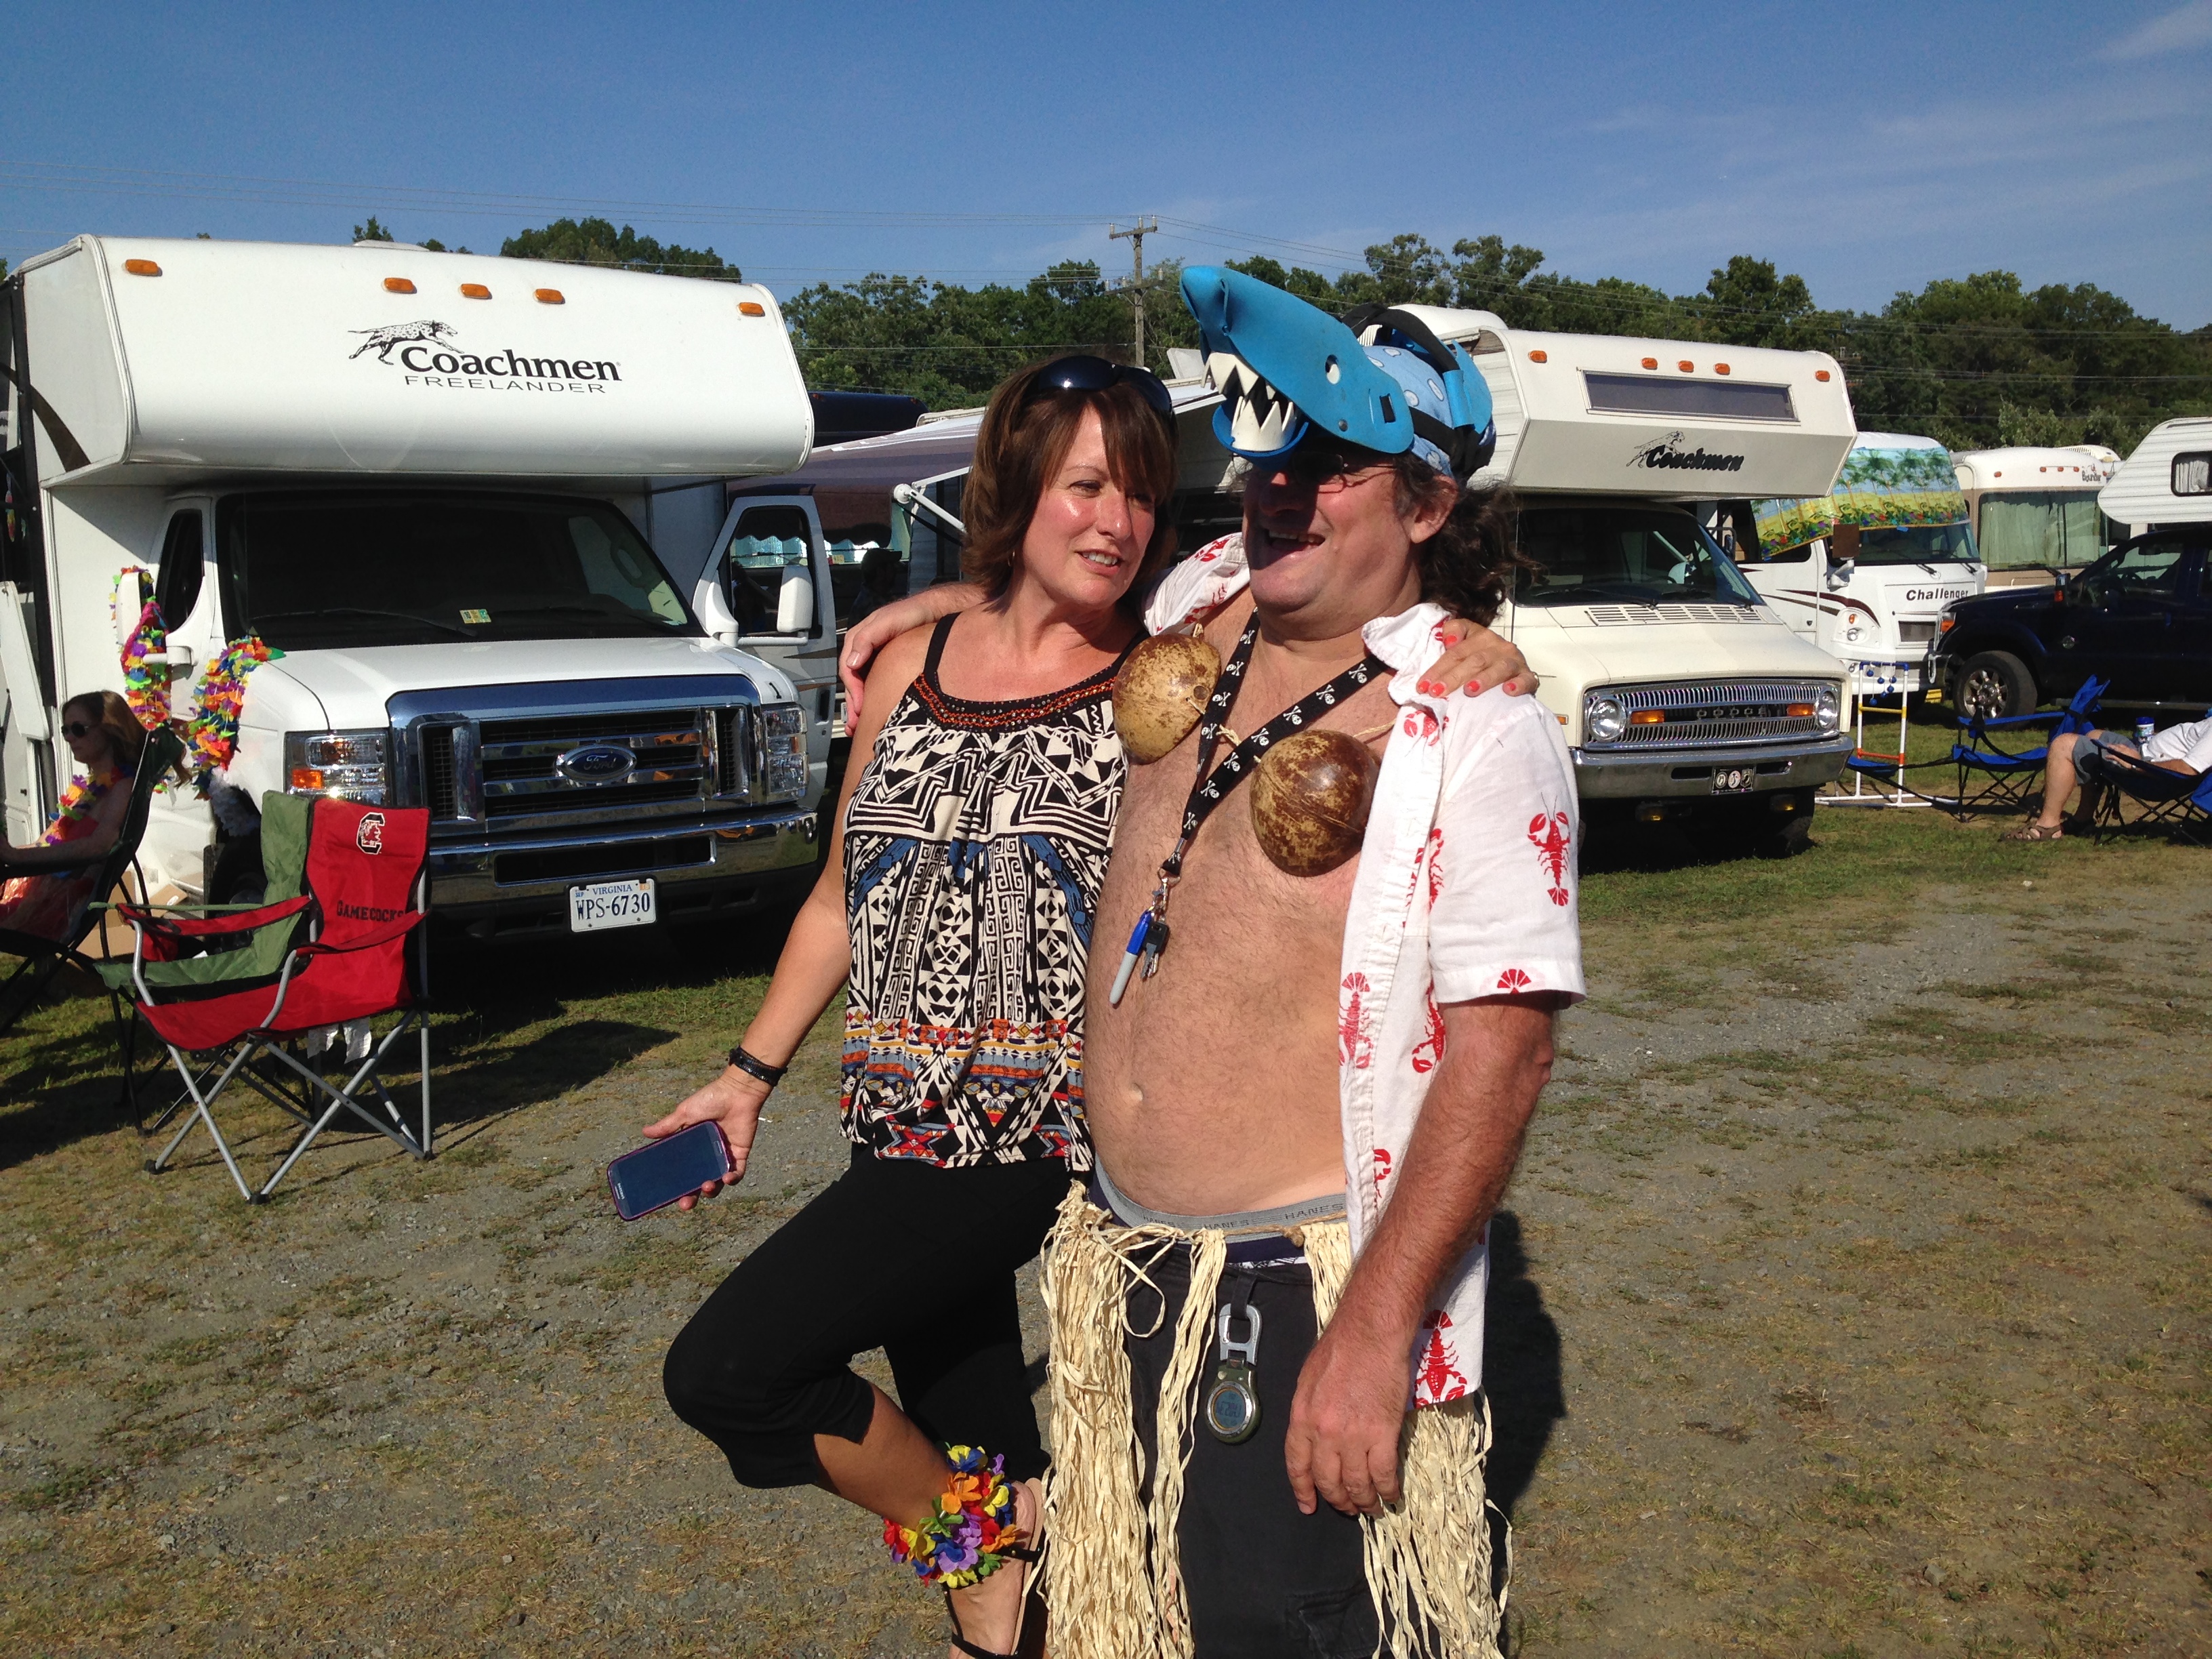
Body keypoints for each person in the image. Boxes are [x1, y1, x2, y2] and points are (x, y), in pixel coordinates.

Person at [1044, 268, 1580, 1659]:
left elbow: (1506, 1052)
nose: (1280, 489)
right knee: (1151, 1610)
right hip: (1124, 1247)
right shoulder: (1200, 602)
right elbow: (1036, 594)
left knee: (1282, 1624)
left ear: (1427, 503)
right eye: (1273, 452)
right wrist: (907, 621)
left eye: (1335, 463)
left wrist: (1372, 1332)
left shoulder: (1473, 730)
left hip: (1291, 1282)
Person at [0, 690, 151, 940]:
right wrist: (10, 853)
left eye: (79, 729)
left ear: (109, 729)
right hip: (36, 896)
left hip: (52, 910)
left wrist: (15, 857)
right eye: (65, 730)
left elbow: (99, 845)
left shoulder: (123, 787)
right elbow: (44, 845)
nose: (69, 738)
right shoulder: (91, 788)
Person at [2004, 715, 2212, 840]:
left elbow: (2187, 768)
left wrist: (2135, 763)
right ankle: (2083, 819)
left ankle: (2048, 825)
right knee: (2094, 735)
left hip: (2150, 772)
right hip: (2145, 753)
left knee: (2063, 745)